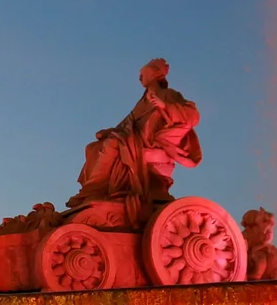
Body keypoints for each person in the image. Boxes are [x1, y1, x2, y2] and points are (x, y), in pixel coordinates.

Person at [68, 58, 202, 227]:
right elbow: (127, 123)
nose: (139, 79)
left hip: (150, 143)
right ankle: (92, 191)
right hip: (134, 139)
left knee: (112, 145)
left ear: (153, 73)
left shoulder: (169, 95)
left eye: (142, 74)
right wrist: (110, 131)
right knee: (93, 147)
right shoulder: (142, 101)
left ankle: (94, 189)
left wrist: (164, 106)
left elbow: (192, 116)